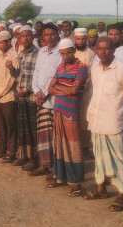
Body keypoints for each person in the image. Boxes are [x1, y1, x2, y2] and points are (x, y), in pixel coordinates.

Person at [83, 36, 123, 211]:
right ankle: (101, 188)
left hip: (113, 121)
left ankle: (121, 194)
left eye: (107, 48)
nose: (103, 52)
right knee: (98, 155)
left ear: (113, 50)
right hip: (96, 119)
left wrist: (115, 110)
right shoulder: (95, 68)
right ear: (96, 50)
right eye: (99, 48)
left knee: (119, 158)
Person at [46, 38, 88, 196]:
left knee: (73, 146)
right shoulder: (61, 66)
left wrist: (60, 88)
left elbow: (75, 90)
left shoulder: (82, 67)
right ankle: (60, 177)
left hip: (71, 112)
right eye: (62, 53)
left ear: (74, 51)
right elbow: (50, 88)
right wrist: (66, 89)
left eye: (68, 53)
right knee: (59, 144)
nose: (65, 56)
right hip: (58, 110)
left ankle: (76, 183)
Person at [28, 24, 62, 177]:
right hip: (41, 100)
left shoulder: (61, 52)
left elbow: (58, 76)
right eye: (46, 35)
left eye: (52, 34)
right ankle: (44, 164)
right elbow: (36, 73)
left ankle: (56, 169)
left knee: (55, 136)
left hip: (54, 101)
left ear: (57, 35)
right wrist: (37, 92)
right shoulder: (41, 51)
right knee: (43, 134)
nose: (50, 37)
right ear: (42, 37)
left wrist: (45, 94)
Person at [0, 30, 19, 162]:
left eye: (1, 43)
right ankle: (2, 148)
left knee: (10, 125)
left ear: (8, 42)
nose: (0, 45)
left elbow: (12, 79)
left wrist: (0, 93)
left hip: (8, 97)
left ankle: (11, 151)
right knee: (0, 124)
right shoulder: (0, 55)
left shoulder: (14, 56)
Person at [13, 26, 39, 167]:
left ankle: (34, 159)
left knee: (33, 128)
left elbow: (38, 76)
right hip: (21, 97)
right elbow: (19, 74)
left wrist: (27, 89)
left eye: (28, 35)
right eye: (23, 36)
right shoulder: (21, 53)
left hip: (32, 97)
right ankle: (23, 155)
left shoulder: (38, 53)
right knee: (23, 127)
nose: (26, 38)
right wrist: (11, 69)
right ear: (20, 38)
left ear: (33, 37)